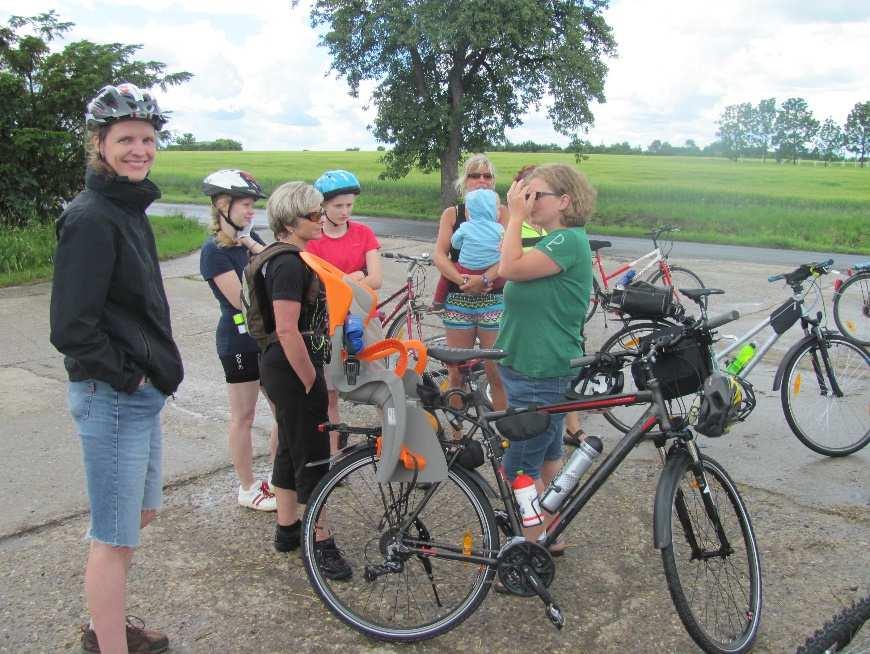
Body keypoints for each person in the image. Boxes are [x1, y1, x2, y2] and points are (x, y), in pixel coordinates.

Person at [50, 82, 184, 654]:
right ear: (99, 143)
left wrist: (148, 379)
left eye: (148, 139)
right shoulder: (90, 218)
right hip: (112, 395)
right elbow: (71, 327)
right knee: (111, 533)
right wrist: (129, 376)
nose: (139, 149)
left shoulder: (127, 207)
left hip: (139, 393)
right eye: (125, 138)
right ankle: (109, 644)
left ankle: (103, 622)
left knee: (139, 515)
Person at [496, 163, 596, 552]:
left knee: (519, 470)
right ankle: (551, 535)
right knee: (549, 455)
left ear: (564, 201)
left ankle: (530, 547)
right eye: (526, 195)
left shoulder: (566, 241)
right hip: (534, 366)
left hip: (538, 369)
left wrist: (515, 217)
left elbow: (508, 267)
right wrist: (518, 219)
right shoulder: (557, 240)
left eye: (537, 195)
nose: (528, 201)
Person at [257, 181, 351, 580]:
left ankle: (287, 528)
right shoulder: (290, 263)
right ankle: (321, 541)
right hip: (292, 366)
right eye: (314, 214)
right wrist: (312, 379)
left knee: (290, 448)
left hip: (278, 367)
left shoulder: (274, 256)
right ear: (291, 221)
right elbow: (286, 329)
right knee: (313, 455)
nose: (321, 219)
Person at [200, 169, 279, 511]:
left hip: (264, 338)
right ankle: (247, 487)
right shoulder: (214, 252)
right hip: (237, 342)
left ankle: (279, 481)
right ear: (222, 205)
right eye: (245, 205)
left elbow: (277, 266)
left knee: (283, 412)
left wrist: (252, 243)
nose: (251, 211)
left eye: (252, 205)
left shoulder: (250, 239)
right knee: (243, 416)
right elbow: (242, 300)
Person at [306, 169, 382, 453]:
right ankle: (333, 457)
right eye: (338, 206)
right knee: (330, 395)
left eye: (349, 205)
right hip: (327, 323)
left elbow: (376, 278)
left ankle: (392, 450)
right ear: (323, 206)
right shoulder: (313, 239)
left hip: (364, 319)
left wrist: (341, 280)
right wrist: (356, 276)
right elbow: (314, 284)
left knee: (380, 386)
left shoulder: (363, 233)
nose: (345, 211)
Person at [432, 154, 508, 413]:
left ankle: (502, 434)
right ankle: (457, 437)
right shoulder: (453, 213)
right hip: (459, 299)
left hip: (494, 298)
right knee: (457, 373)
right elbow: (440, 255)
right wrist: (463, 280)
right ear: (465, 181)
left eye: (487, 176)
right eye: (476, 175)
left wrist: (485, 279)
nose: (482, 181)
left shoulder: (503, 213)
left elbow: (510, 254)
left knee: (496, 371)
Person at [431, 188, 504, 305]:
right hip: (490, 274)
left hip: (465, 269)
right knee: (505, 276)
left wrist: (462, 245)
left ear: (469, 212)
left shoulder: (465, 227)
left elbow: (454, 243)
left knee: (446, 275)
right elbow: (504, 248)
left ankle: (438, 302)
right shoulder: (499, 229)